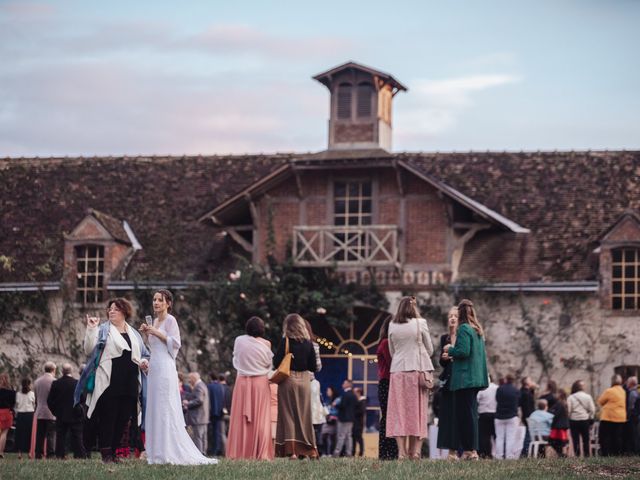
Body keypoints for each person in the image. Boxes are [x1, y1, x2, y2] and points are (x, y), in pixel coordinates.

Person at [139, 289, 217, 465]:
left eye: (160, 300)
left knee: (165, 407)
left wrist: (156, 332)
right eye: (154, 299)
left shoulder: (170, 320)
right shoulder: (155, 321)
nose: (156, 303)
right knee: (154, 407)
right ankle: (155, 451)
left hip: (166, 368)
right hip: (155, 368)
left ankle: (167, 451)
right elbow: (155, 350)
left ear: (168, 303)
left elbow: (175, 344)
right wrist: (147, 358)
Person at [74, 298, 149, 463]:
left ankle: (113, 452)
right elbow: (88, 349)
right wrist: (91, 328)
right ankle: (106, 453)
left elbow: (144, 354)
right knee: (109, 418)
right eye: (110, 309)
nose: (111, 311)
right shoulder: (103, 330)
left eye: (116, 309)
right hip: (109, 382)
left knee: (123, 419)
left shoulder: (134, 333)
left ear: (125, 311)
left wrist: (144, 362)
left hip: (130, 382)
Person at [387, 296, 434, 460]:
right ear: (414, 307)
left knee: (399, 411)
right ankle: (416, 452)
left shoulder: (392, 324)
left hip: (398, 371)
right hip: (417, 370)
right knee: (418, 411)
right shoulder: (421, 323)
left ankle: (401, 452)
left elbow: (392, 350)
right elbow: (430, 349)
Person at [443, 299, 489, 461]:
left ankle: (470, 451)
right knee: (471, 415)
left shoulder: (463, 328)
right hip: (476, 378)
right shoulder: (478, 330)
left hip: (465, 379)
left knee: (465, 416)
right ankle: (472, 450)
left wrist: (450, 349)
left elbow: (463, 351)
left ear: (461, 312)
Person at [226, 316, 274, 460]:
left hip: (242, 382)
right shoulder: (267, 343)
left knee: (240, 419)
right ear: (262, 329)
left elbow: (236, 358)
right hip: (260, 383)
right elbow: (268, 365)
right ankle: (261, 453)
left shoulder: (239, 340)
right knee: (261, 419)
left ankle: (238, 452)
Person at [273, 313, 318, 459]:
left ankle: (291, 451)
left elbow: (276, 362)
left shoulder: (285, 341)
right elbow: (313, 366)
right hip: (304, 380)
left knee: (288, 415)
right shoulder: (308, 343)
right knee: (304, 415)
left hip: (288, 379)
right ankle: (310, 449)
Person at [47, 364, 85, 459]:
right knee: (77, 436)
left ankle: (60, 455)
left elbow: (50, 400)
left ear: (62, 371)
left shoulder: (56, 383)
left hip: (61, 414)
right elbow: (82, 398)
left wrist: (55, 411)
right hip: (75, 413)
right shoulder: (77, 383)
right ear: (71, 371)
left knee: (61, 436)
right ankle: (80, 455)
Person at [436, 306, 459, 459]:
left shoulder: (464, 335)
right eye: (450, 315)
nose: (452, 318)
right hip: (448, 380)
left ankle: (465, 450)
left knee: (460, 415)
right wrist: (443, 358)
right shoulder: (444, 337)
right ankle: (451, 452)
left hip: (461, 379)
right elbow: (442, 362)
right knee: (448, 417)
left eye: (455, 316)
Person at [376, 316, 398, 460]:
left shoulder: (385, 343)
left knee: (391, 418)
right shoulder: (385, 343)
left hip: (389, 382)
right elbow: (392, 363)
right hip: (387, 382)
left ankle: (390, 452)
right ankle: (387, 452)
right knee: (388, 419)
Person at [598, 374, 627, 456]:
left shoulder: (609, 391)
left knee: (605, 437)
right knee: (617, 437)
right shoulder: (623, 391)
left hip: (609, 417)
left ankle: (606, 454)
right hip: (621, 417)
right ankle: (617, 454)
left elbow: (600, 401)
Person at [34, 361, 57, 459]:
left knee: (40, 435)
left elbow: (36, 397)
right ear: (53, 370)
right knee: (51, 434)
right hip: (51, 412)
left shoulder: (37, 381)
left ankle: (38, 454)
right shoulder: (54, 381)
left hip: (40, 411)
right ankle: (50, 454)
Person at [494, 374, 521, 459]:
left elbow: (497, 399)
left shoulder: (499, 389)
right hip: (512, 416)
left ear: (506, 379)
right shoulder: (516, 390)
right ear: (513, 380)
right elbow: (518, 402)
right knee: (510, 437)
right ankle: (509, 456)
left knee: (499, 437)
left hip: (499, 416)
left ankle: (499, 456)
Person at [183, 372, 210, 455]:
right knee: (203, 437)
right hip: (203, 417)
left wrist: (188, 403)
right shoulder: (202, 385)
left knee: (198, 437)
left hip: (198, 417)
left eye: (190, 379)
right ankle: (203, 452)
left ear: (194, 378)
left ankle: (199, 453)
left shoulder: (198, 386)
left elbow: (199, 400)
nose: (189, 381)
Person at [567, 380, 595, 457]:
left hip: (574, 420)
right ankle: (587, 455)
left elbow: (569, 410)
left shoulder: (571, 397)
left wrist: (569, 418)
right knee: (586, 439)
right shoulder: (588, 397)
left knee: (575, 440)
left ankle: (577, 454)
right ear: (582, 387)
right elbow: (592, 409)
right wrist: (591, 418)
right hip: (585, 420)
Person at [333, 379, 357, 457]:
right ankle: (349, 453)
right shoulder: (354, 395)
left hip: (343, 419)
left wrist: (335, 405)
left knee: (341, 436)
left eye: (344, 383)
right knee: (349, 436)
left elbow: (342, 406)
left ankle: (336, 453)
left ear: (348, 384)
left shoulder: (345, 394)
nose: (343, 384)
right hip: (351, 419)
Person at [14, 377, 35, 459]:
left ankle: (20, 453)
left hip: (20, 415)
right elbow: (34, 404)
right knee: (29, 434)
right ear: (30, 384)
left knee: (20, 434)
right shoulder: (32, 394)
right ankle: (30, 452)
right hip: (30, 415)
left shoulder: (18, 394)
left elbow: (17, 404)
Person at [477, 377, 498, 458]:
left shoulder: (482, 389)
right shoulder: (497, 388)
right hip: (495, 414)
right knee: (496, 436)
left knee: (484, 436)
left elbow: (477, 399)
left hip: (483, 413)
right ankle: (497, 453)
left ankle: (486, 453)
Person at [207, 372, 225, 456]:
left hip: (212, 412)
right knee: (218, 432)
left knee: (212, 433)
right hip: (219, 412)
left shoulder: (209, 386)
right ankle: (217, 449)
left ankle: (213, 450)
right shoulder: (220, 386)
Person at [548, 389, 570, 457]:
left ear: (560, 394)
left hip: (558, 426)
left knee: (554, 441)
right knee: (558, 442)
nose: (555, 395)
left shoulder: (560, 404)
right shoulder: (562, 403)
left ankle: (561, 454)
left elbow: (555, 414)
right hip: (560, 426)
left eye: (556, 393)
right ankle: (561, 454)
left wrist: (550, 412)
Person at [519, 377, 536, 457]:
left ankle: (526, 453)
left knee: (528, 435)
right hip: (528, 417)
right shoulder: (525, 393)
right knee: (528, 436)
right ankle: (524, 453)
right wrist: (530, 418)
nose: (532, 382)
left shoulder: (526, 392)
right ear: (527, 383)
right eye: (530, 380)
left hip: (528, 416)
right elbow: (528, 407)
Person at [0, 373, 16, 459]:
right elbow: (13, 404)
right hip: (7, 412)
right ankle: (1, 452)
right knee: (4, 433)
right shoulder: (12, 392)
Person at [320, 386, 338, 456]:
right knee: (324, 436)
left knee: (332, 438)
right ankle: (325, 452)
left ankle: (330, 453)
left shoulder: (336, 400)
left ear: (332, 391)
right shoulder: (328, 400)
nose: (327, 392)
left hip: (333, 421)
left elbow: (336, 411)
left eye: (329, 390)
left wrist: (331, 415)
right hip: (326, 421)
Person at [310, 374, 326, 453]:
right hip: (315, 413)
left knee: (317, 434)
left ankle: (318, 451)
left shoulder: (315, 383)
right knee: (316, 434)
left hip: (316, 413)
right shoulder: (315, 383)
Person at [624, 376, 639, 454]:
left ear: (631, 383)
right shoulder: (636, 391)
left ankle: (634, 451)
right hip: (636, 416)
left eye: (627, 382)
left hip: (633, 417)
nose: (626, 383)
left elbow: (631, 407)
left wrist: (628, 416)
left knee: (633, 434)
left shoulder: (632, 393)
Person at [352, 387, 366, 457]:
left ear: (358, 393)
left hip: (359, 423)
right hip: (354, 422)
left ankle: (361, 452)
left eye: (355, 392)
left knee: (359, 437)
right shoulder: (356, 401)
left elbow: (361, 411)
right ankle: (353, 452)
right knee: (353, 438)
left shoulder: (362, 401)